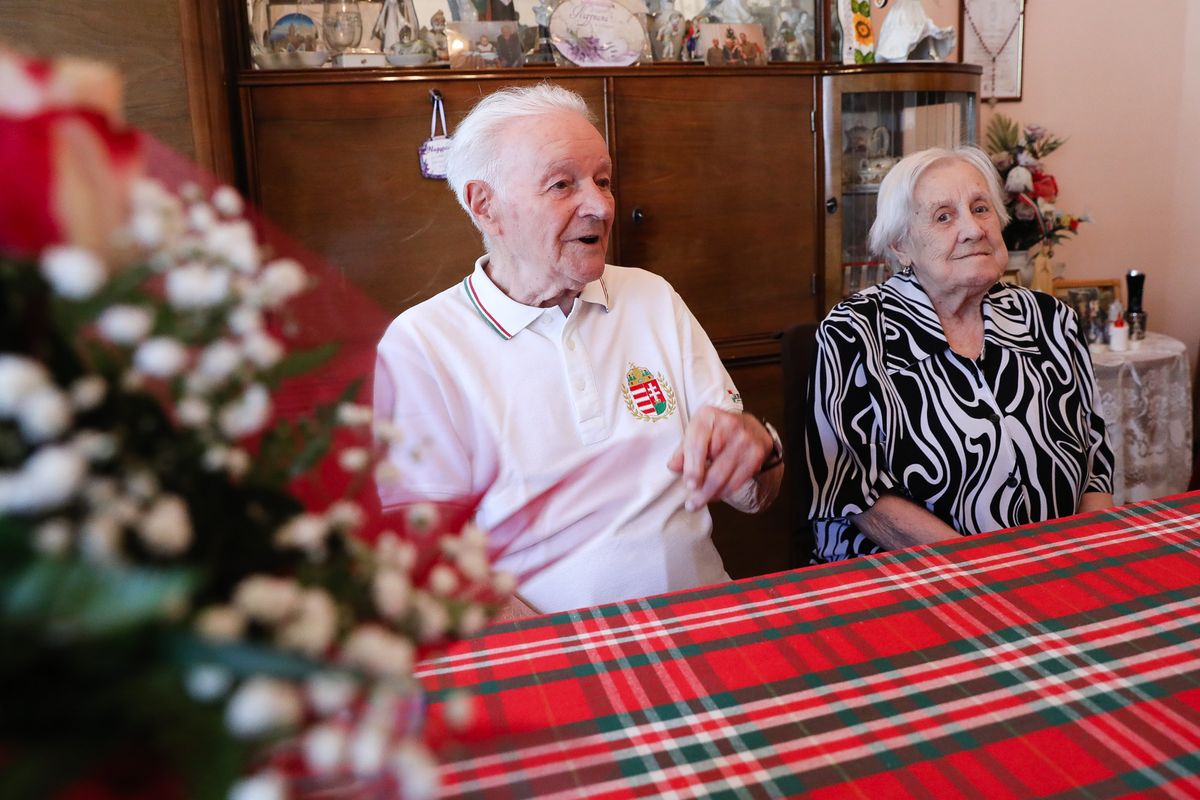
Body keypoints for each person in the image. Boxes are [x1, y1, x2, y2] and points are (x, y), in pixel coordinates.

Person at [374, 85, 783, 614]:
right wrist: (566, 658)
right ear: (485, 206)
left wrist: (757, 448)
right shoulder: (422, 345)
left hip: (702, 618)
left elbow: (756, 493)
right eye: (563, 184)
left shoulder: (651, 297)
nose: (601, 206)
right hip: (547, 653)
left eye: (604, 181)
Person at [802, 146, 1114, 563]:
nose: (973, 229)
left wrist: (1087, 555)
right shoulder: (855, 332)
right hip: (908, 581)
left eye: (981, 208)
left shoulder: (1050, 319)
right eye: (944, 216)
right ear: (901, 245)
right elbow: (853, 490)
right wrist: (984, 571)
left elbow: (1095, 459)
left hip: (1057, 566)